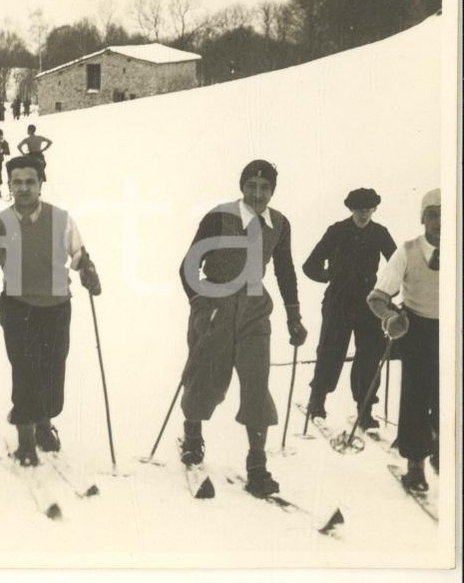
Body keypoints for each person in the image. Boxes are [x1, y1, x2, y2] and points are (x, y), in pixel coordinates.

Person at [177, 160, 307, 497]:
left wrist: (294, 315)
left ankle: (257, 463)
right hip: (215, 306)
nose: (258, 194)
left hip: (253, 310)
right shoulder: (219, 216)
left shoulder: (279, 224)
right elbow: (188, 265)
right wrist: (200, 305)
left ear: (273, 190)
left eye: (265, 188)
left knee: (256, 381)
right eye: (252, 186)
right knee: (205, 377)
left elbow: (285, 270)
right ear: (242, 186)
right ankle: (192, 436)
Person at [0, 155, 100, 466]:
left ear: (41, 184)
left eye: (30, 181)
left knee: (53, 371)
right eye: (17, 182)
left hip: (56, 306)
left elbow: (79, 253)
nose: (24, 188)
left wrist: (88, 270)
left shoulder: (60, 218)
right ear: (9, 185)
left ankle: (44, 423)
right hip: (18, 306)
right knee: (25, 370)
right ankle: (26, 439)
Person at [302, 188, 396, 423]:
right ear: (351, 209)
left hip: (368, 304)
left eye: (367, 210)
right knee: (330, 352)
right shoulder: (337, 231)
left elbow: (397, 266)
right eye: (358, 209)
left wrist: (386, 292)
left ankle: (364, 410)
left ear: (374, 209)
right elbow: (310, 265)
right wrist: (329, 276)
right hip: (338, 301)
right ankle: (317, 402)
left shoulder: (380, 233)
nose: (363, 214)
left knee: (370, 356)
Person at [367, 189, 440, 492]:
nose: (439, 221)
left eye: (446, 215)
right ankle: (416, 465)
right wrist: (391, 318)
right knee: (416, 397)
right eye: (432, 214)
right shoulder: (408, 251)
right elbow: (378, 297)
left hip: (452, 333)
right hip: (418, 331)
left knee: (449, 398)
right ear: (422, 218)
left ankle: (444, 453)